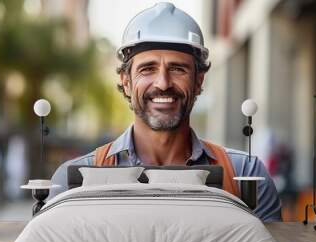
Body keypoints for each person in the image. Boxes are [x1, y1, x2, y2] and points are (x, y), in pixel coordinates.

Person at [50, 2, 282, 222]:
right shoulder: (74, 180)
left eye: (177, 68)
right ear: (127, 82)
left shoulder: (245, 175)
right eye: (148, 68)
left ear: (199, 81)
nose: (162, 83)